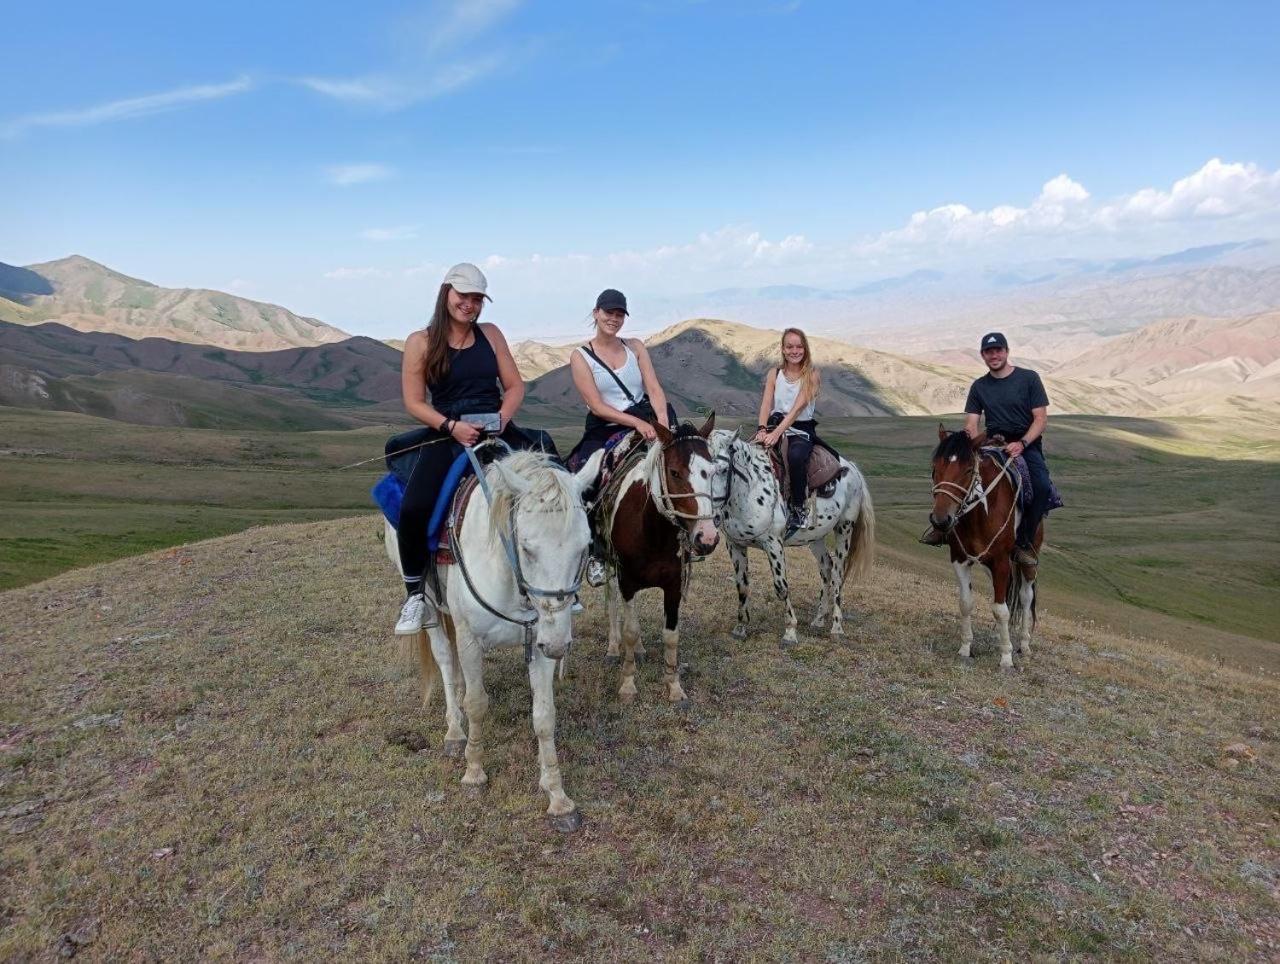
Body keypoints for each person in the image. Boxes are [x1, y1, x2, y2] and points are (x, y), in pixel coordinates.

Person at [391, 262, 531, 635]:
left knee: (551, 481)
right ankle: (415, 596)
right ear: (446, 293)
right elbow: (413, 401)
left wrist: (502, 417)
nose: (470, 305)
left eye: (477, 299)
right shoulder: (420, 341)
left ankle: (561, 579)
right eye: (463, 296)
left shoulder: (491, 334)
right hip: (448, 429)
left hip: (496, 424)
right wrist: (451, 427)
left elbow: (515, 386)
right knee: (416, 504)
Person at [566, 288, 676, 585]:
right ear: (596, 313)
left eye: (619, 314)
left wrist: (662, 421)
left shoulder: (635, 346)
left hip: (647, 415)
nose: (613, 319)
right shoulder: (581, 356)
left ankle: (686, 532)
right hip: (608, 423)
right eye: (608, 313)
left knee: (684, 462)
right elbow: (598, 406)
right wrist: (635, 424)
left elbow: (653, 388)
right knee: (584, 477)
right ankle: (595, 551)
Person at [922, 331, 1052, 568]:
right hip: (992, 443)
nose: (994, 355)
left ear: (1006, 351)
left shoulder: (1029, 378)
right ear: (983, 355)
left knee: (1042, 487)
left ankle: (1024, 544)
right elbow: (972, 422)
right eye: (988, 352)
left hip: (1026, 444)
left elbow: (1040, 419)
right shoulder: (979, 386)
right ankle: (942, 527)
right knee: (954, 477)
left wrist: (1022, 443)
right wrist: (971, 443)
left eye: (998, 350)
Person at [754, 327, 824, 539]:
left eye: (799, 346)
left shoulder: (811, 374)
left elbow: (796, 410)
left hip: (800, 430)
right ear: (783, 350)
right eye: (790, 346)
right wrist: (762, 428)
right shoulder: (774, 374)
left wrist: (776, 435)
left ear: (805, 349)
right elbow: (767, 403)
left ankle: (799, 508)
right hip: (774, 425)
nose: (795, 351)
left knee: (795, 457)